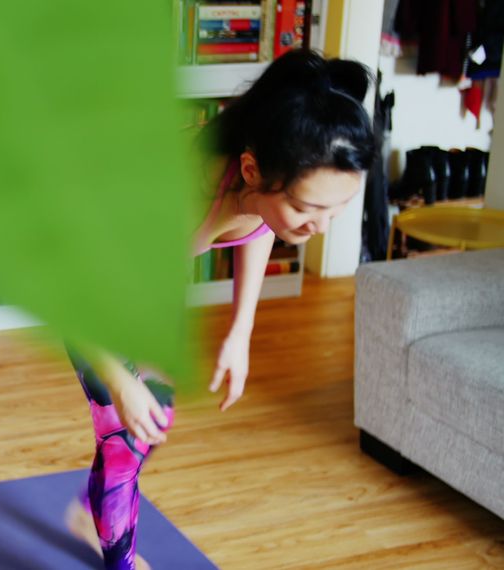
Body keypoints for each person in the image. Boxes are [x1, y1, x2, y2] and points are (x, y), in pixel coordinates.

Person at [64, 49, 377, 570]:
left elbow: (258, 225)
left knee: (153, 415)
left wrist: (241, 330)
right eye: (308, 208)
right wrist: (119, 381)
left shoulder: (254, 171)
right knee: (123, 434)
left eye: (337, 208)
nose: (320, 226)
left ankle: (87, 513)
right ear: (253, 171)